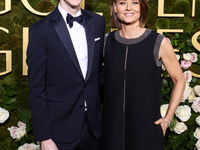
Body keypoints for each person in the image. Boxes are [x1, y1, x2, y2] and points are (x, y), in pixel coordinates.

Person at [102, 0, 185, 149]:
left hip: (147, 133)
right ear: (115, 7)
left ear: (142, 7)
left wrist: (168, 118)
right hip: (111, 133)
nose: (128, 8)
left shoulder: (158, 42)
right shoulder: (106, 42)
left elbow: (179, 79)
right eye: (122, 2)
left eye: (134, 2)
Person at [26, 0, 105, 149]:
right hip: (59, 131)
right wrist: (44, 137)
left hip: (94, 128)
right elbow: (36, 88)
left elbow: (98, 73)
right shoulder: (41, 30)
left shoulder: (98, 22)